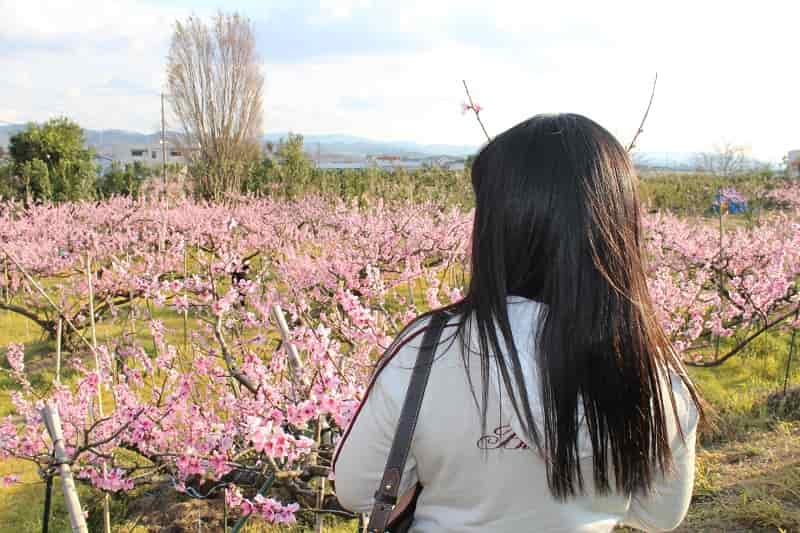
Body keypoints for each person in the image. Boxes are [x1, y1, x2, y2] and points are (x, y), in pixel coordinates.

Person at [333, 113, 703, 532]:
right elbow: (660, 516)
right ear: (619, 228)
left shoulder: (429, 349)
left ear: (497, 225)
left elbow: (357, 490)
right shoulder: (653, 369)